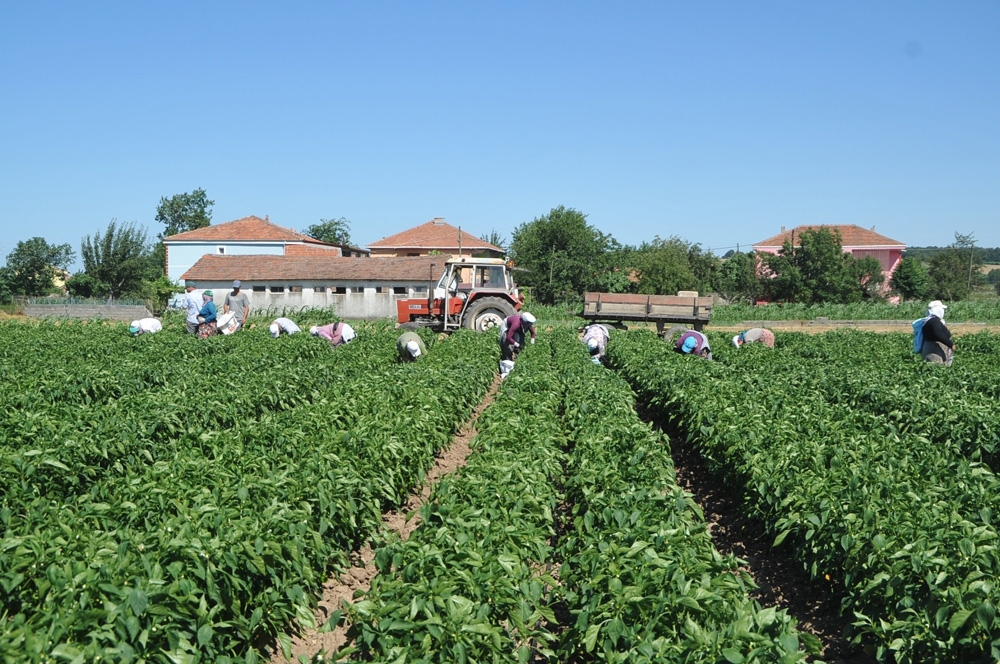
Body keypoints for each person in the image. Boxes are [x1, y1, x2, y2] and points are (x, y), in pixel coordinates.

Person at [920, 300, 955, 365]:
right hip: (934, 350)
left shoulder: (929, 320)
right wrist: (950, 344)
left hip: (931, 348)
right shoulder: (934, 321)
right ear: (937, 310)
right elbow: (938, 333)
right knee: (935, 367)